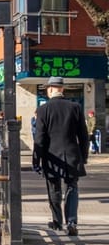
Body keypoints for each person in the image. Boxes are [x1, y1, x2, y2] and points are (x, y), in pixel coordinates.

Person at [33, 76, 90, 236]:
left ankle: (57, 221)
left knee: (54, 189)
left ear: (50, 90)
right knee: (72, 187)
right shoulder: (75, 107)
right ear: (62, 89)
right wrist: (83, 156)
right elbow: (83, 135)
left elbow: (39, 138)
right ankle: (71, 221)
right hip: (72, 155)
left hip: (51, 157)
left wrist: (36, 160)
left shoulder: (43, 110)